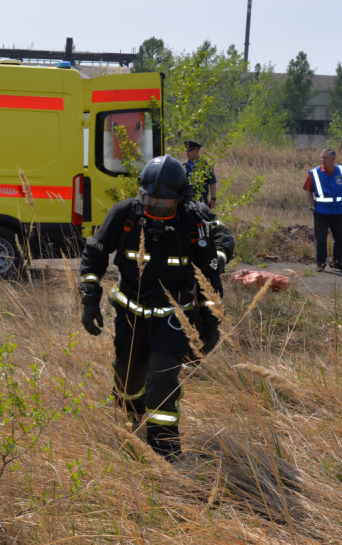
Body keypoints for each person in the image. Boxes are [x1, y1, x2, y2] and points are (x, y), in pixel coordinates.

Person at [78, 155, 229, 461]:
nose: (158, 209)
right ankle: (133, 417)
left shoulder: (193, 224)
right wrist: (89, 299)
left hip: (174, 318)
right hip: (130, 314)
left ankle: (164, 452)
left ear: (181, 199)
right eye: (151, 202)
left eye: (165, 204)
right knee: (127, 376)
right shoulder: (125, 214)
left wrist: (211, 326)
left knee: (162, 377)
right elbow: (94, 253)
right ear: (141, 194)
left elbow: (209, 280)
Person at [302, 148, 342, 273]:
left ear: (333, 159)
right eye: (322, 157)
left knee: (341, 238)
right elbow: (308, 190)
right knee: (321, 239)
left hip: (338, 211)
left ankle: (336, 262)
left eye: (325, 157)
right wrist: (312, 207)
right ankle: (321, 263)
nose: (323, 160)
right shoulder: (315, 172)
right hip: (321, 212)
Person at [182, 140, 217, 208]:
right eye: (186, 151)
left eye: (190, 151)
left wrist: (213, 199)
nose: (187, 153)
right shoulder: (183, 165)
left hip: (201, 201)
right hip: (186, 201)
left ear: (197, 151)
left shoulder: (205, 166)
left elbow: (212, 183)